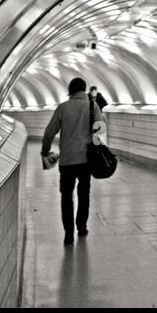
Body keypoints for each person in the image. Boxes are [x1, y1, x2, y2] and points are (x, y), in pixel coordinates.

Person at [40, 77, 104, 246]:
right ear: (84, 90)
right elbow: (100, 128)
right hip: (85, 160)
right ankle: (81, 227)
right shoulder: (92, 106)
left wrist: (45, 151)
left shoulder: (63, 108)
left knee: (66, 197)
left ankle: (68, 233)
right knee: (84, 194)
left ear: (71, 90)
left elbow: (49, 133)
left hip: (67, 161)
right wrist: (96, 146)